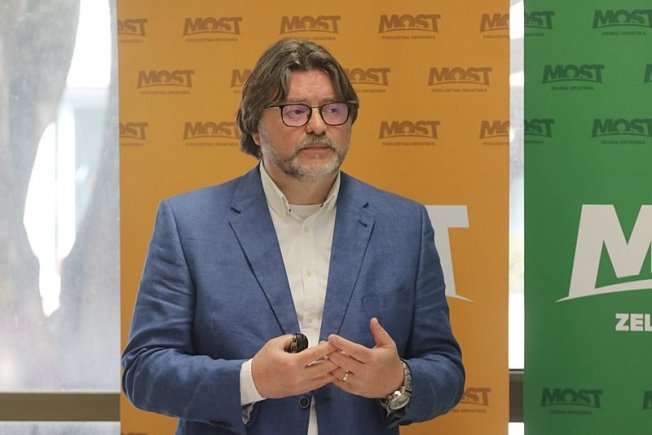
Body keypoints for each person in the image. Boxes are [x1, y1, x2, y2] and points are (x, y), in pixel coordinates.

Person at [122, 38, 464, 435]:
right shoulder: (188, 224)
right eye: (296, 111)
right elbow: (143, 370)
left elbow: (446, 369)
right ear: (255, 127)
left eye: (333, 110)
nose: (318, 126)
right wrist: (251, 380)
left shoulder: (405, 225)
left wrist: (397, 381)